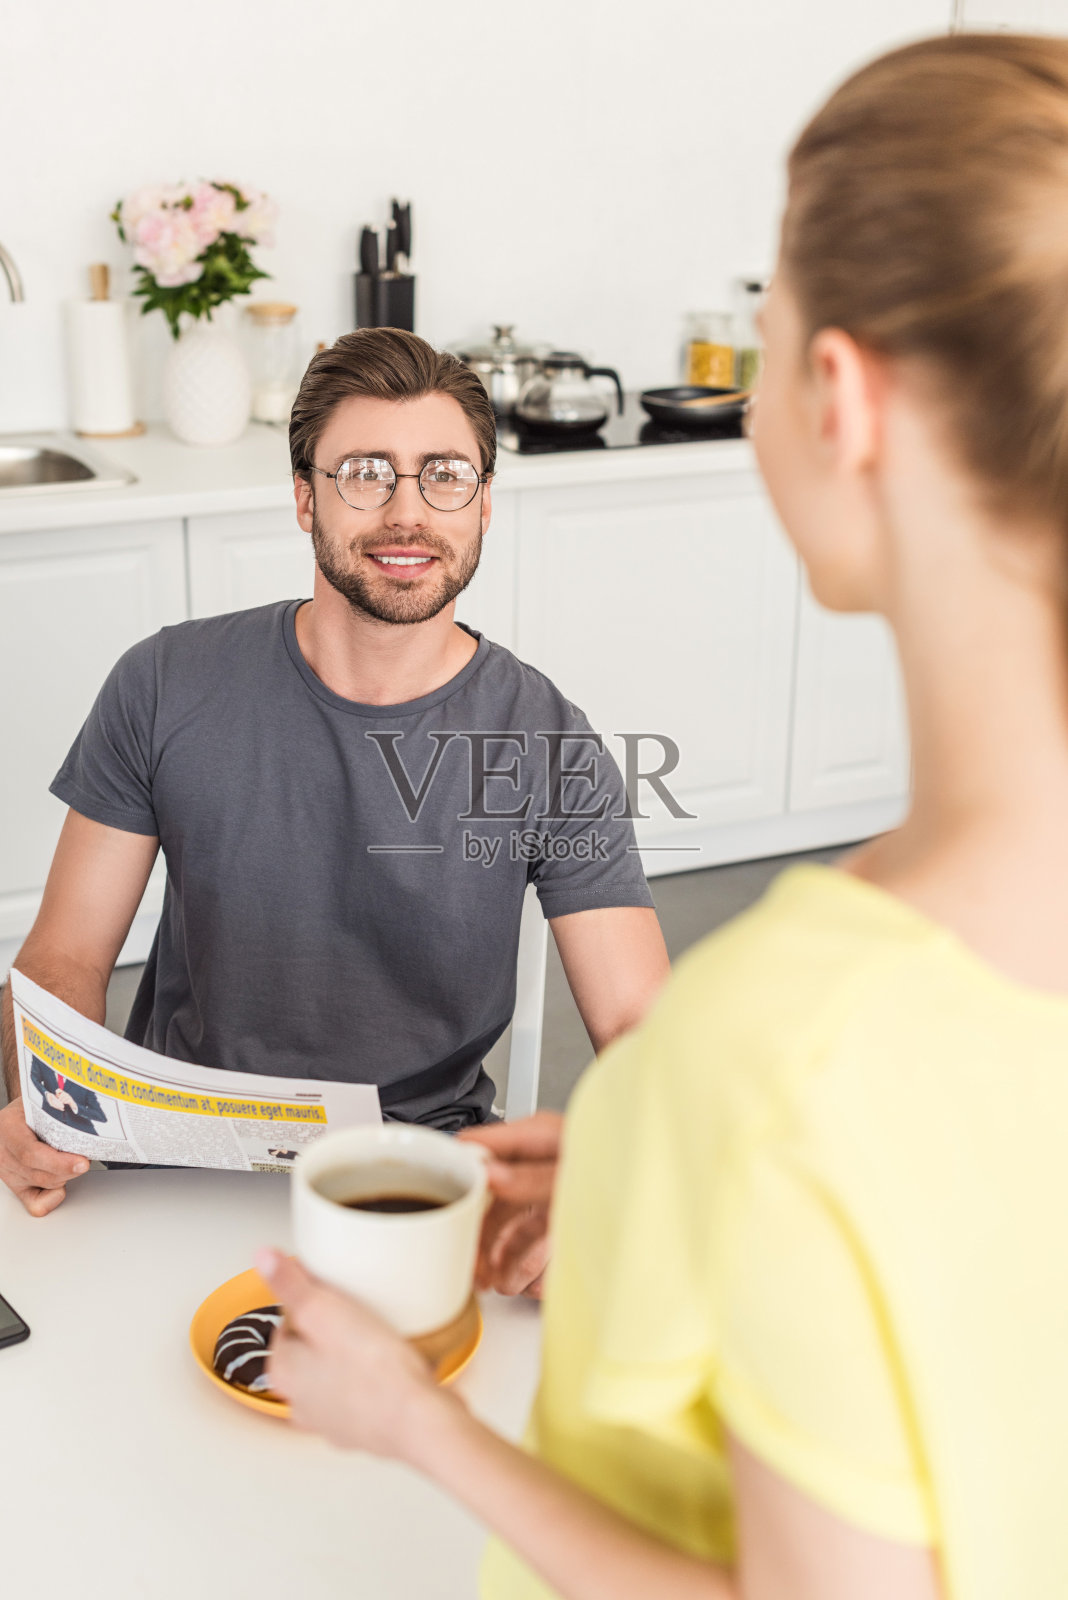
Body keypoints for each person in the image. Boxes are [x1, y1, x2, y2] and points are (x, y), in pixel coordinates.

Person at [254, 33, 1068, 1600]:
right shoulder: (761, 1077)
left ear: (836, 400)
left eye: (762, 336)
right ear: (307, 495)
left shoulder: (778, 1047)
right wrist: (654, 1163)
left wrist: (414, 1428)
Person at [0, 329, 669, 1218]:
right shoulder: (163, 683)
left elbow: (640, 1031)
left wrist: (615, 1183)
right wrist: (43, 1104)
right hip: (177, 1150)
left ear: (484, 503)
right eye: (364, 472)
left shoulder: (548, 741)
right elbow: (66, 953)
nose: (408, 513)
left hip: (417, 1171)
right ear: (305, 499)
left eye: (444, 474)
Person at [29, 1058, 106, 1137]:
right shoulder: (42, 1058)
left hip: (80, 1132)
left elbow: (100, 1116)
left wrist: (74, 1105)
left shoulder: (85, 1074)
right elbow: (34, 1076)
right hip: (50, 1127)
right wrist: (46, 1094)